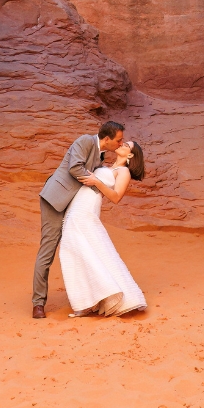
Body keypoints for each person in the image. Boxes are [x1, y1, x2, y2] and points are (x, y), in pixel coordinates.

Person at [32, 122, 125, 318]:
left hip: (72, 205)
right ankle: (38, 304)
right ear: (107, 139)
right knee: (47, 251)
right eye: (118, 139)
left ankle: (88, 297)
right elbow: (75, 168)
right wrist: (96, 186)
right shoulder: (85, 141)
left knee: (77, 248)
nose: (120, 143)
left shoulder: (101, 154)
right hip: (55, 200)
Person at [59, 140, 147, 317]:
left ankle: (87, 301)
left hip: (88, 208)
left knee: (79, 249)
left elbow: (116, 197)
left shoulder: (123, 171)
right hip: (77, 204)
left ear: (130, 156)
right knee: (78, 249)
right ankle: (91, 298)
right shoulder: (104, 164)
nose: (121, 145)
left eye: (126, 146)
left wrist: (96, 181)